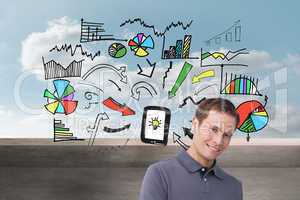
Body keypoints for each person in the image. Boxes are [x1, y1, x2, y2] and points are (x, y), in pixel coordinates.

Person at [139, 98, 243, 200]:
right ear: (195, 125)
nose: (219, 141)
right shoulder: (160, 174)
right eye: (214, 129)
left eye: (226, 135)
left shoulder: (234, 187)